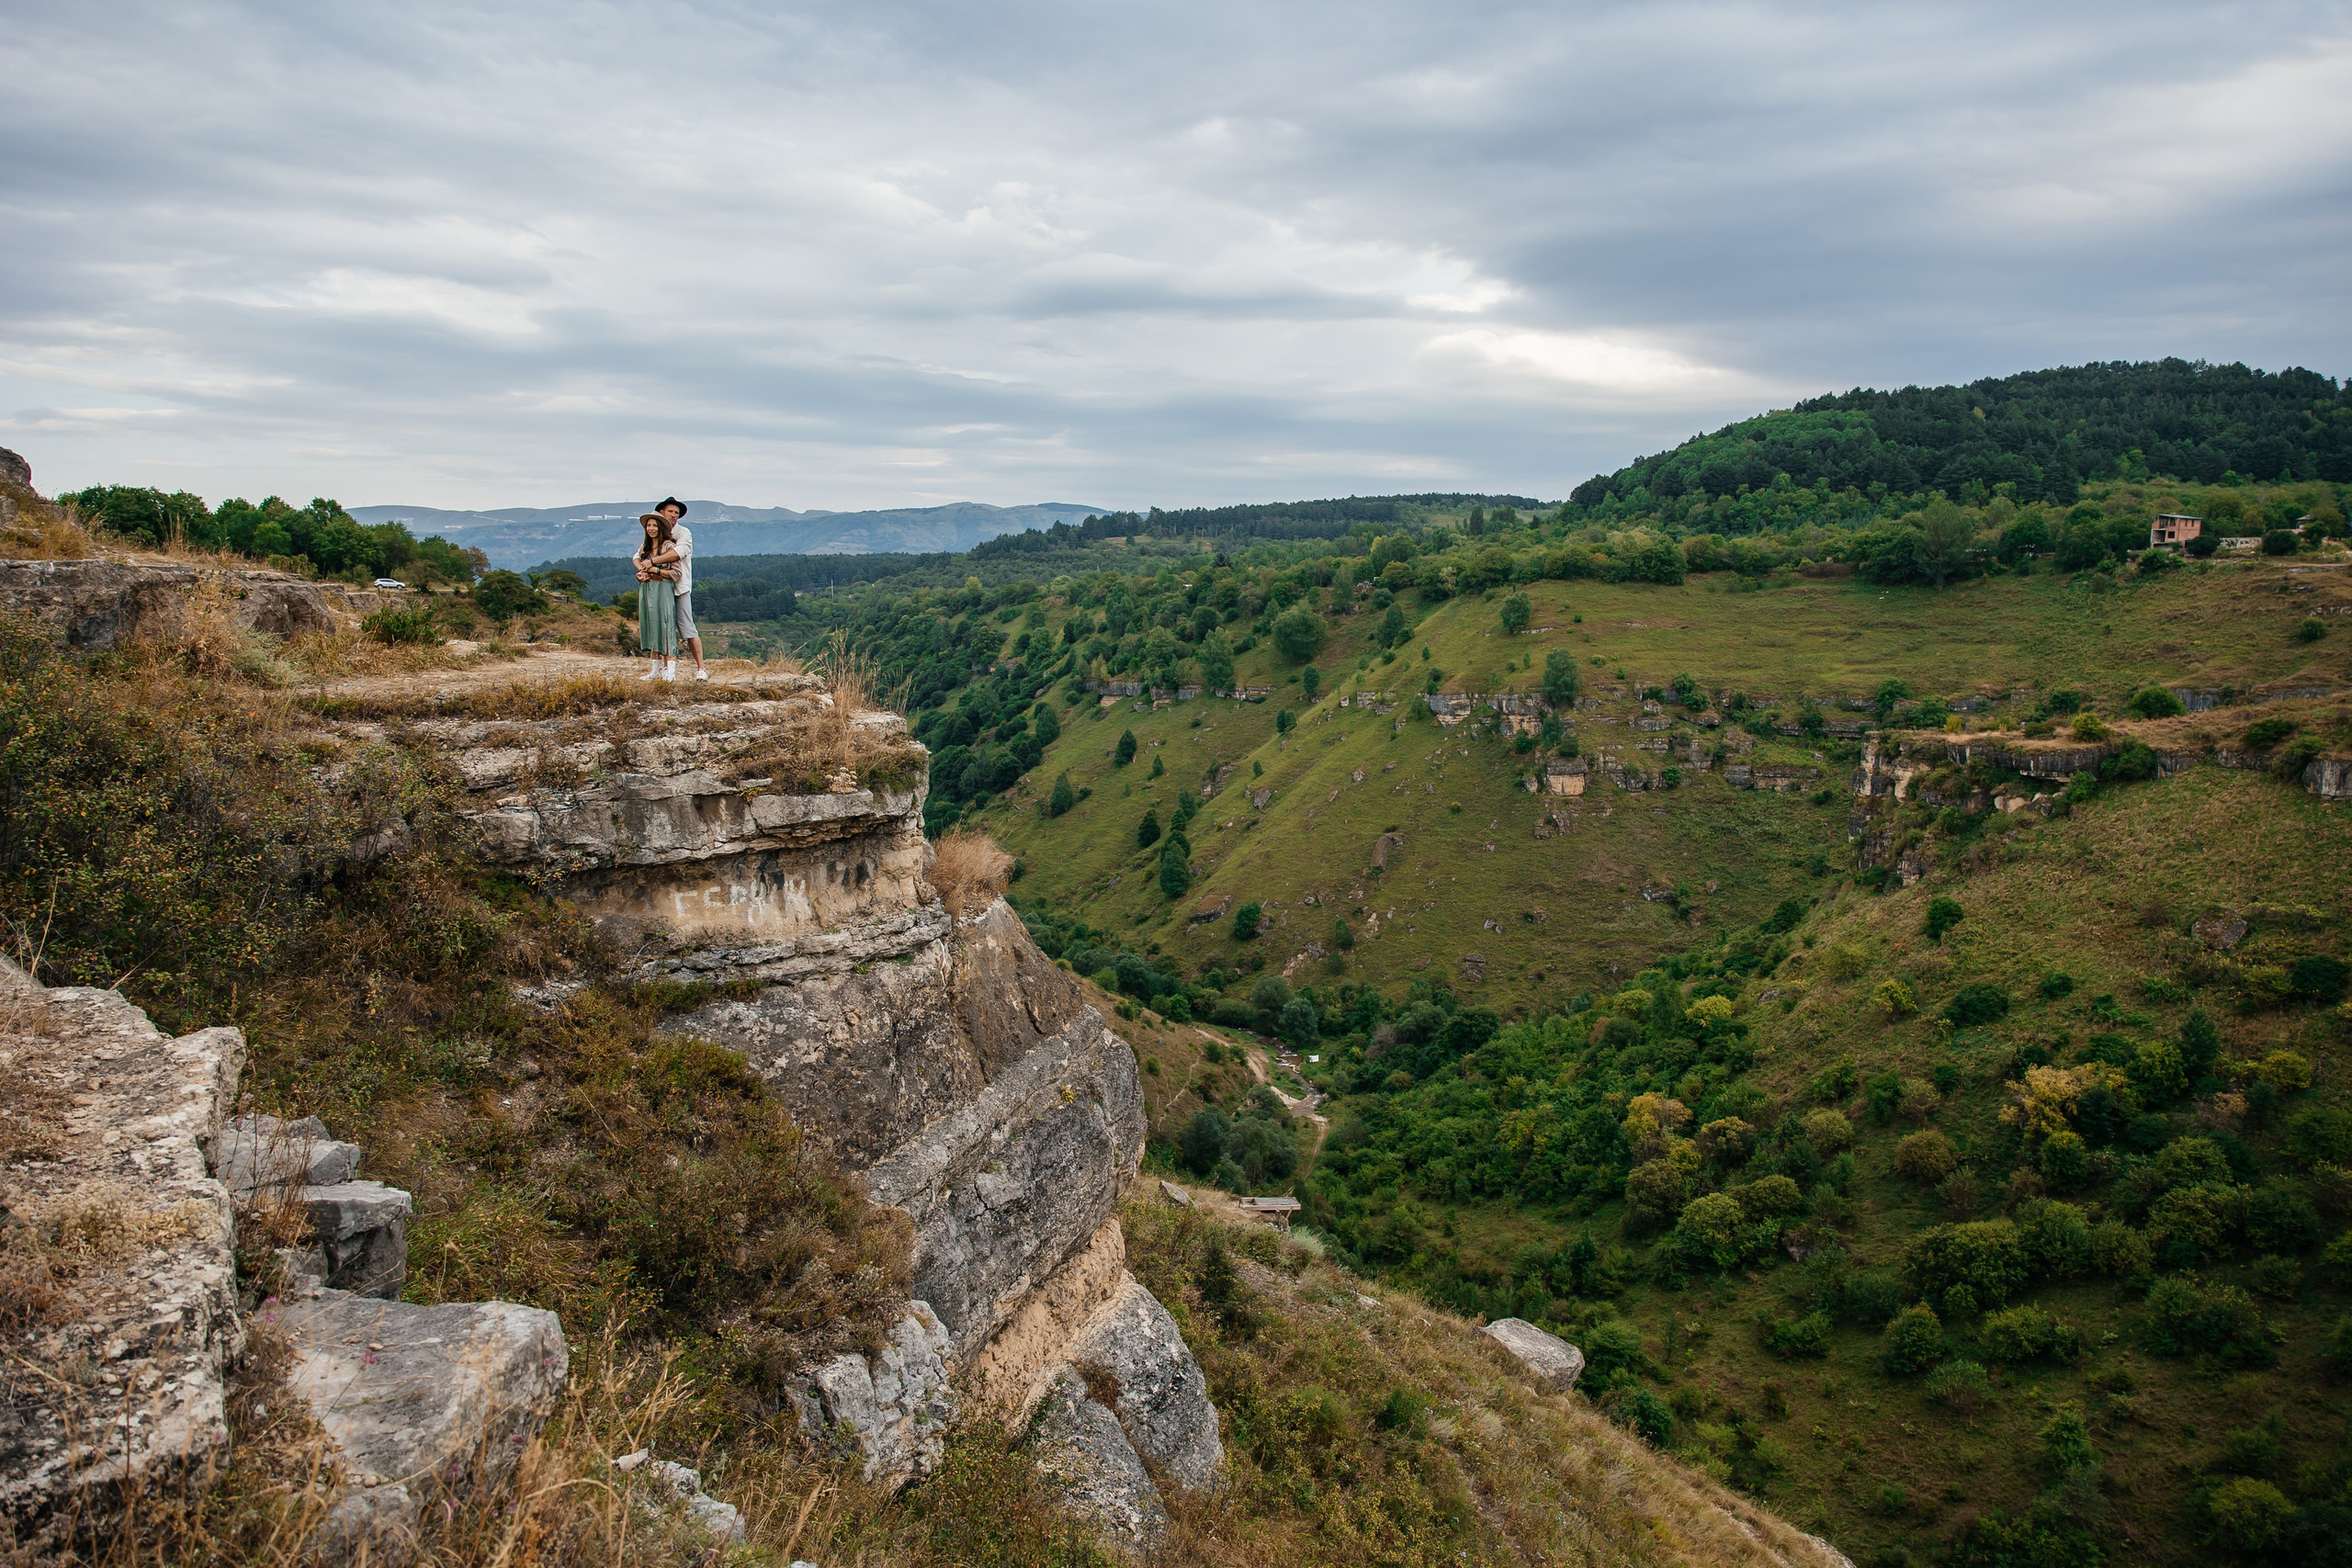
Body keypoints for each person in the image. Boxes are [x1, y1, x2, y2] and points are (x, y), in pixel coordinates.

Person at [652, 496, 707, 680]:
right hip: (660, 586)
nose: (674, 515)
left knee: (688, 628)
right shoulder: (655, 532)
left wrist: (651, 563)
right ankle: (661, 669)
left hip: (679, 586)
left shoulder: (684, 533)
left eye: (676, 513)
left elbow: (678, 553)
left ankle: (701, 669)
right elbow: (638, 554)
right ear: (662, 512)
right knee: (661, 628)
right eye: (671, 512)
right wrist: (642, 568)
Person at [634, 512, 680, 681]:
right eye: (649, 525)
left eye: (654, 525)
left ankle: (671, 671)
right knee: (651, 624)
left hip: (663, 588)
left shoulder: (668, 547)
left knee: (665, 624)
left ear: (661, 528)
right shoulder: (645, 548)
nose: (651, 528)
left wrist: (654, 569)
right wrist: (642, 573)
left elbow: (676, 573)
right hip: (647, 588)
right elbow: (638, 562)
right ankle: (656, 669)